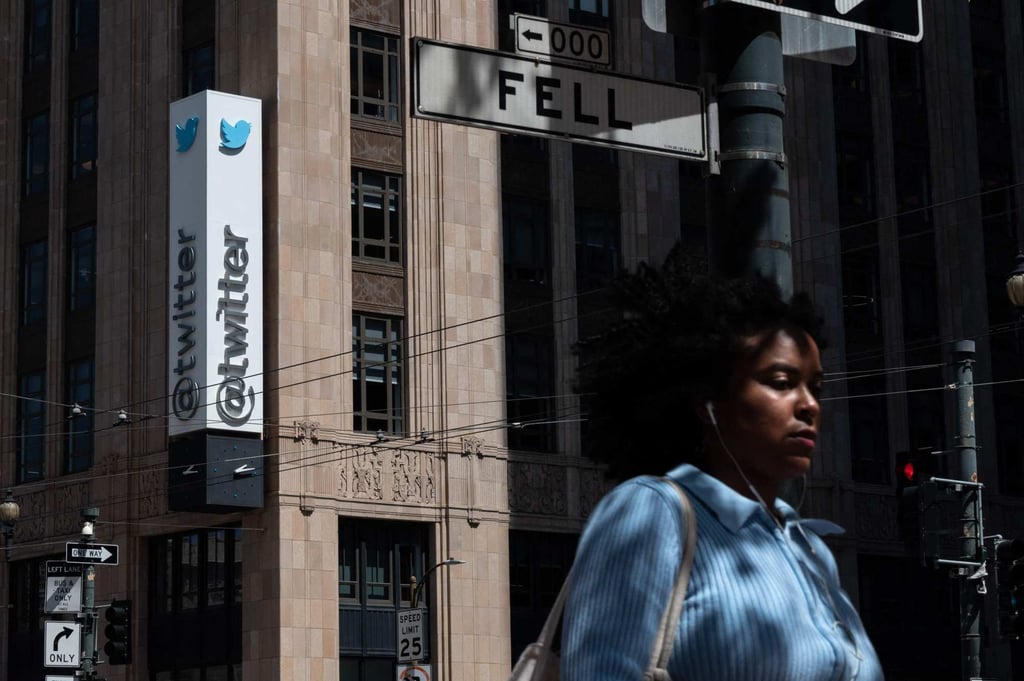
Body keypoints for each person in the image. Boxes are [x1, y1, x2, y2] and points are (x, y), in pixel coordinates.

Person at [562, 270, 884, 681]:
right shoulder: (652, 512)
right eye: (782, 383)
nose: (809, 406)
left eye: (815, 387)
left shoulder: (810, 549)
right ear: (709, 403)